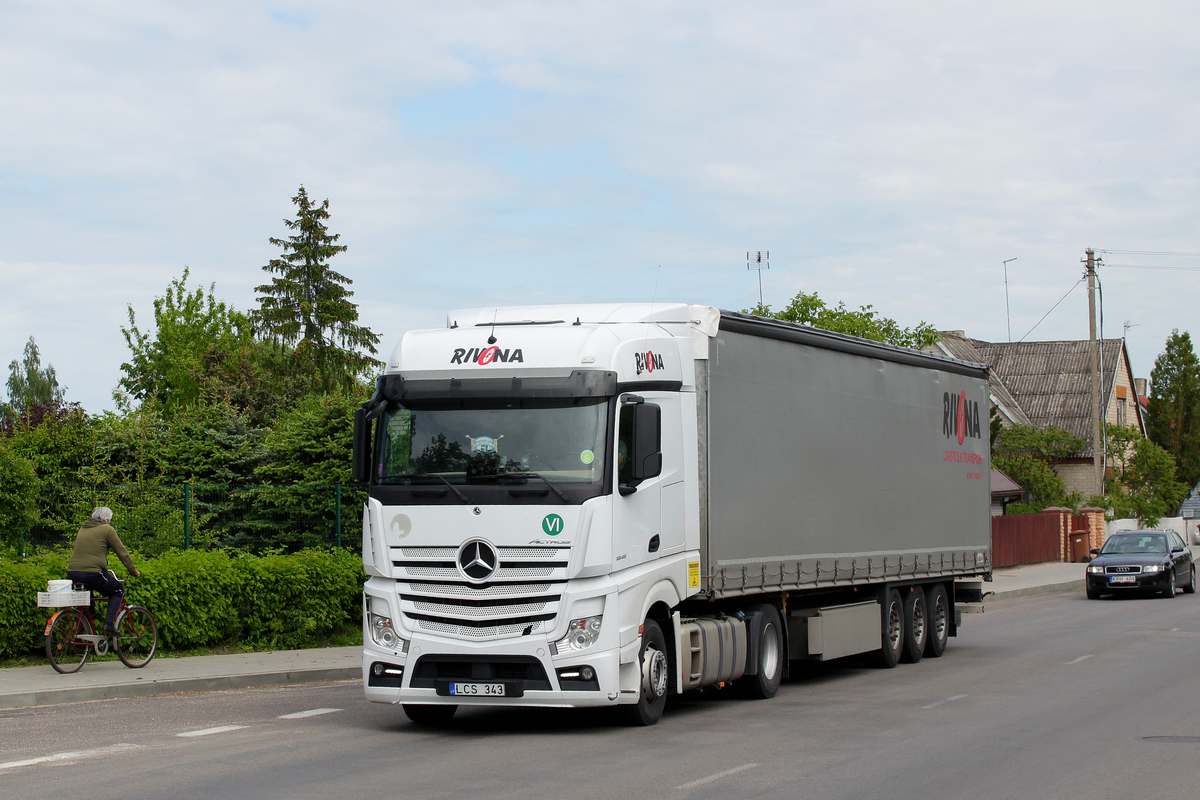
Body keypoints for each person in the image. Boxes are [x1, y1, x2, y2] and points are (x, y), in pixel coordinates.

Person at [66, 507, 141, 636]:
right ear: (106, 520)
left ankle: (80, 640)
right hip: (92, 573)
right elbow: (122, 553)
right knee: (118, 591)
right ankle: (108, 624)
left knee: (86, 604)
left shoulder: (83, 528)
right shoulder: (107, 529)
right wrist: (133, 571)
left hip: (72, 572)